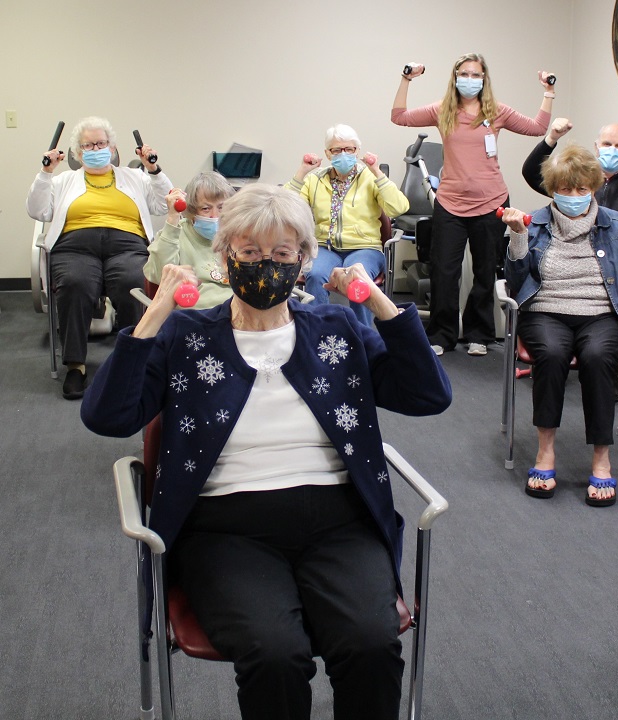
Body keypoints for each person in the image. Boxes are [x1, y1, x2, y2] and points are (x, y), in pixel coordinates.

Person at [80, 184, 452, 720]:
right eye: (249, 253)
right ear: (224, 255)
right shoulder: (187, 335)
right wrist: (154, 314)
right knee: (275, 654)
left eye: (282, 254)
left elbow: (427, 395)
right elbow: (107, 416)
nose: (265, 266)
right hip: (225, 528)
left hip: (339, 521)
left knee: (370, 644)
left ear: (304, 261)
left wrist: (376, 300)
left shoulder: (336, 327)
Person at [500, 145, 618, 507]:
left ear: (594, 188)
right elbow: (514, 280)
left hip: (603, 314)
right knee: (552, 355)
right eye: (566, 189)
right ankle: (545, 453)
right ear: (553, 189)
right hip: (546, 311)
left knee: (598, 356)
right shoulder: (534, 222)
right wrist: (517, 236)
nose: (574, 197)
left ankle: (601, 458)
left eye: (581, 189)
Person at [392, 53, 554, 356]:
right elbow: (399, 116)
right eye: (464, 74)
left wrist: (548, 93)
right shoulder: (443, 111)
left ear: (484, 79)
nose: (470, 79)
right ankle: (441, 335)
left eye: (476, 75)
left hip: (491, 202)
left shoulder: (497, 112)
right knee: (443, 271)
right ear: (455, 78)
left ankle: (480, 335)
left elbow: (536, 128)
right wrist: (406, 79)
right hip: (450, 203)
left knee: (484, 270)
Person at [26, 116, 171, 399]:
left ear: (112, 148)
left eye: (101, 143)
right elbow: (37, 210)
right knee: (75, 284)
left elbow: (164, 202)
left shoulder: (135, 177)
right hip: (75, 247)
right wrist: (45, 174)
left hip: (127, 245)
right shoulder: (64, 180)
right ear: (78, 153)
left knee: (134, 284)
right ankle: (76, 366)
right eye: (88, 145)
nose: (96, 149)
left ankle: (132, 362)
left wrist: (154, 169)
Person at [286, 124, 409, 325]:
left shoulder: (370, 177)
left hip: (365, 247)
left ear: (357, 151)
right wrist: (302, 172)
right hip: (325, 247)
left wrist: (377, 172)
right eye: (337, 150)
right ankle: (319, 334)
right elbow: (286, 209)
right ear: (327, 153)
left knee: (357, 278)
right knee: (315, 275)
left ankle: (364, 336)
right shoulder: (315, 180)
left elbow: (399, 208)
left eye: (349, 149)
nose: (343, 154)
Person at [144, 171, 235, 308]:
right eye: (206, 209)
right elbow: (159, 276)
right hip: (198, 314)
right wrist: (172, 218)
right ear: (192, 211)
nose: (215, 216)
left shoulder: (237, 234)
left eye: (221, 208)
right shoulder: (175, 233)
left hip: (238, 312)